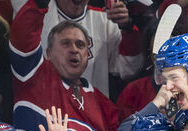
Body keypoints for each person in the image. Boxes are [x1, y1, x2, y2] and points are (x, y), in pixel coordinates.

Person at [9, 0, 120, 131]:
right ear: (49, 52)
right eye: (66, 43)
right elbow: (23, 35)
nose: (74, 49)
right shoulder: (34, 77)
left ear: (87, 55)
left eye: (80, 45)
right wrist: (39, 4)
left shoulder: (104, 106)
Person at [9, 0, 144, 98]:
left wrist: (127, 29)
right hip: (44, 109)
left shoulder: (105, 19)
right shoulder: (35, 11)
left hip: (89, 114)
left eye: (79, 45)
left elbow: (129, 70)